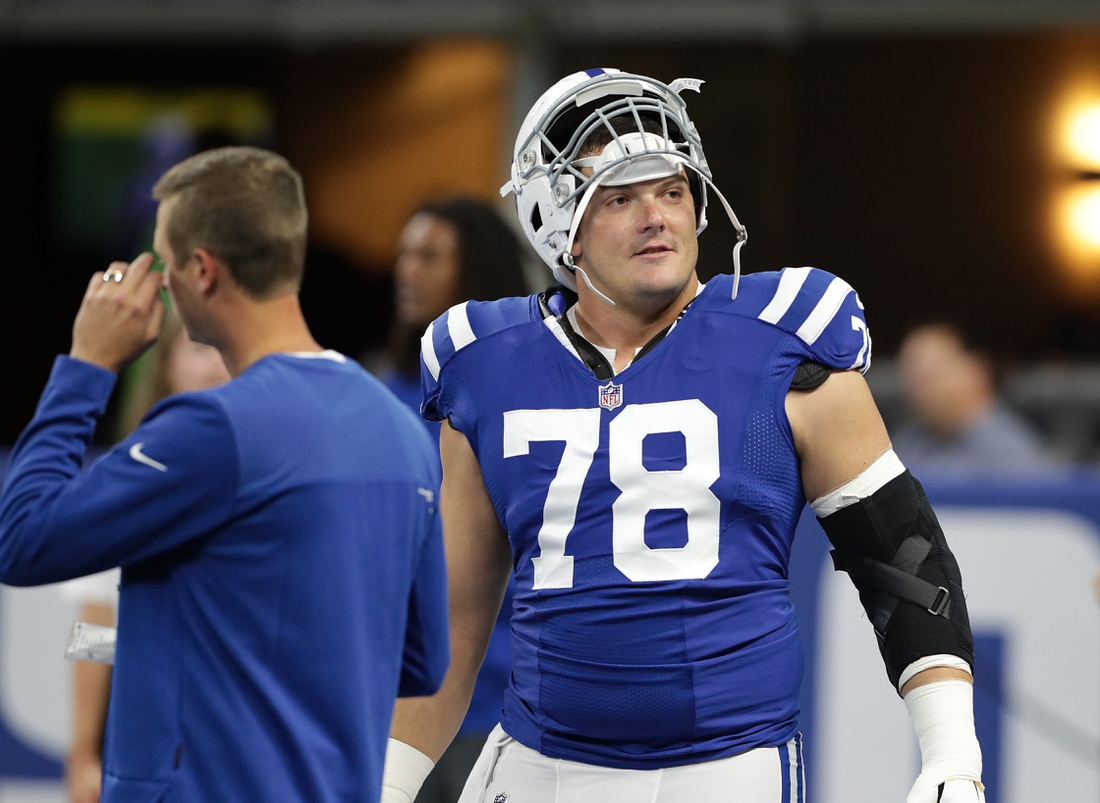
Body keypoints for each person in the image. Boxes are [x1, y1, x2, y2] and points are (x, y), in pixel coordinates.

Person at [382, 70, 985, 803]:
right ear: (558, 222)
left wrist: (951, 752)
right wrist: (389, 783)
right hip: (542, 761)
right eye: (620, 197)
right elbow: (454, 615)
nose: (656, 217)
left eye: (671, 191)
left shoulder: (784, 339)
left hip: (727, 764)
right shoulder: (487, 361)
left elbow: (902, 561)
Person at [0, 146, 449, 803]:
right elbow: (420, 662)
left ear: (203, 270)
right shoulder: (403, 431)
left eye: (165, 262)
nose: (162, 285)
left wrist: (87, 364)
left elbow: (21, 537)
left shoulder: (211, 429)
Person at [377, 199, 528, 803]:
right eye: (404, 255)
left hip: (494, 708)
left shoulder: (519, 400)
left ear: (475, 269)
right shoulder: (381, 397)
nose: (406, 271)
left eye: (429, 256)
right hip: (388, 708)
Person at [60, 308, 231, 803]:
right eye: (199, 348)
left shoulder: (275, 471)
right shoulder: (124, 476)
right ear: (166, 363)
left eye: (225, 349)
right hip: (145, 743)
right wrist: (83, 753)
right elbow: (93, 628)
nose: (215, 366)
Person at [893, 322, 1049, 471]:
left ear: (975, 369)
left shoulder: (1014, 454)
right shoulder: (905, 445)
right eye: (910, 374)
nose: (916, 386)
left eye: (930, 373)